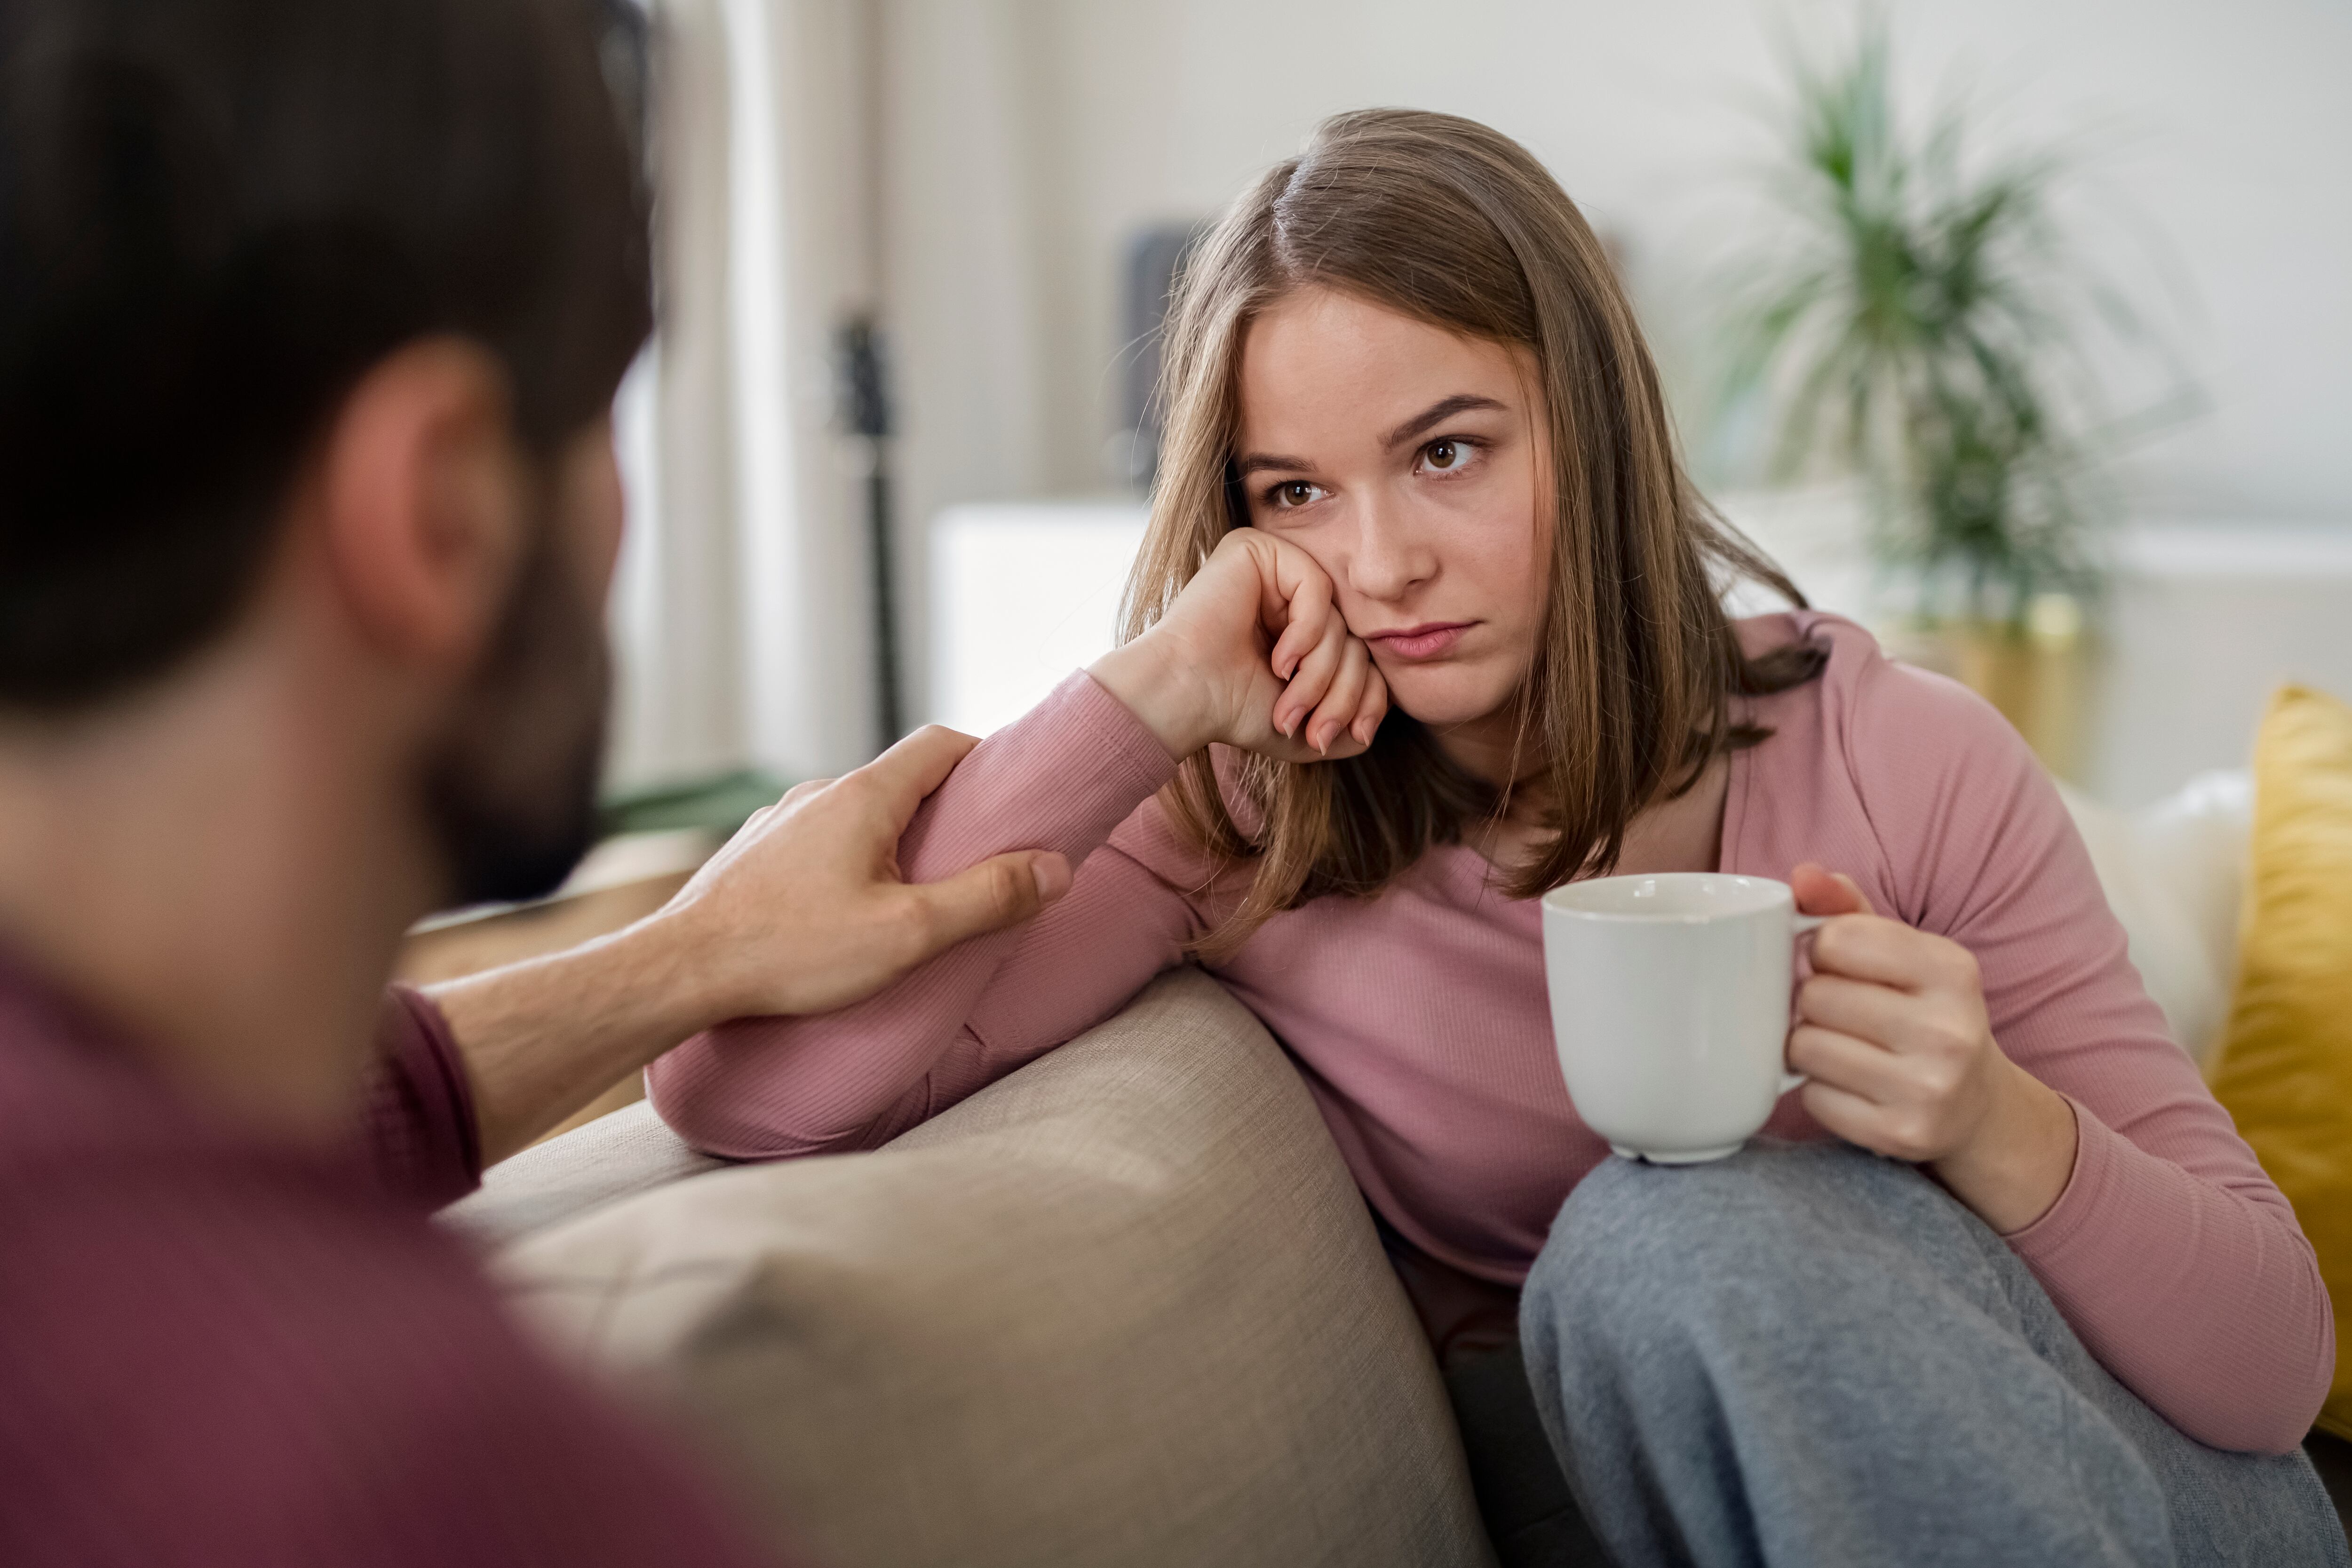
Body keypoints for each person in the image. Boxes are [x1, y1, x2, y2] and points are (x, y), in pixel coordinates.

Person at [650, 110, 2347, 1566]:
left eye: (1446, 452)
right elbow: (753, 1095)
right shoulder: (1247, 821)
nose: (1378, 565)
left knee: (1666, 1235)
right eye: (1293, 492)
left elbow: (2272, 1374)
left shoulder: (1897, 758)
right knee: (1633, 1255)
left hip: (2119, 1481)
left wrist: (1991, 1121)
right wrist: (1154, 689)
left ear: (1592, 434)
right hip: (1671, 1492)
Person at [0, 1, 1069, 1563]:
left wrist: (700, 951)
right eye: (601, 411)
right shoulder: (426, 1476)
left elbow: (300, 1115)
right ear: (443, 507)